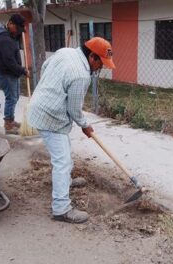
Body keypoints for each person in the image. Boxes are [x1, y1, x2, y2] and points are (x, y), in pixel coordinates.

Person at [28, 37, 115, 224]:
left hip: (42, 106)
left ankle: (65, 182)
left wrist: (49, 87)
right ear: (92, 57)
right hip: (50, 117)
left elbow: (45, 67)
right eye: (101, 63)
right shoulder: (81, 75)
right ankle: (61, 209)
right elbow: (74, 109)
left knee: (64, 154)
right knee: (62, 162)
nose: (100, 68)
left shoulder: (66, 51)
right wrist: (85, 125)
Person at [0, 14, 29, 134]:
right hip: (6, 74)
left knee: (14, 97)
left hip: (11, 73)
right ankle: (8, 125)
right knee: (11, 98)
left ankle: (11, 119)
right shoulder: (5, 40)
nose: (19, 32)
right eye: (18, 28)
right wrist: (23, 70)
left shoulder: (10, 37)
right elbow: (9, 61)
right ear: (10, 24)